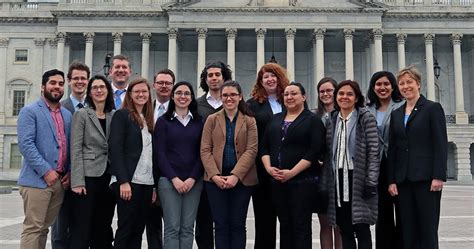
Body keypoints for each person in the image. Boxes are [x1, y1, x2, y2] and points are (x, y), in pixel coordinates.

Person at [387, 66, 447, 249]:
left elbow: (440, 144)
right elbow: (393, 149)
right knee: (407, 229)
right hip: (403, 180)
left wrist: (438, 175)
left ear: (418, 84)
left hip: (426, 179)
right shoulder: (396, 113)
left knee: (427, 229)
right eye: (402, 83)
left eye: (409, 82)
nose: (405, 86)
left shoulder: (432, 108)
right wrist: (392, 180)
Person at [261, 82, 325, 249]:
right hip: (278, 182)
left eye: (294, 94)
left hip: (302, 182)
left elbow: (314, 151)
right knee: (285, 225)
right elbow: (265, 146)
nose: (289, 97)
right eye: (287, 94)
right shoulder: (275, 119)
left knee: (301, 225)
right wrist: (268, 168)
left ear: (303, 97)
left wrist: (292, 172)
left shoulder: (312, 120)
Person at [17, 69, 72, 249]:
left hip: (58, 181)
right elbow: (26, 145)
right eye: (53, 83)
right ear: (43, 87)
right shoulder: (30, 111)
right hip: (37, 180)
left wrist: (69, 172)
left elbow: (69, 147)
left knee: (43, 230)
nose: (57, 87)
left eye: (61, 84)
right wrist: (46, 171)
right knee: (33, 229)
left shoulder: (67, 115)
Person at [200, 81, 257, 249]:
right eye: (225, 95)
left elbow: (251, 150)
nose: (229, 98)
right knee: (221, 225)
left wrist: (235, 176)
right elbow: (205, 149)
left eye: (233, 95)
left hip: (242, 180)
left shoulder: (249, 120)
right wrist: (214, 175)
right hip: (215, 180)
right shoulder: (212, 119)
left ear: (240, 97)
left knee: (238, 224)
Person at [324, 80, 379, 249]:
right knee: (345, 229)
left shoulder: (365, 117)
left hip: (358, 178)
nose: (344, 97)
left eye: (349, 94)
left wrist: (371, 181)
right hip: (338, 181)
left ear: (356, 98)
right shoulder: (332, 119)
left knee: (362, 228)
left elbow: (373, 151)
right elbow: (328, 153)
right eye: (341, 94)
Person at [108, 77, 157, 249]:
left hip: (146, 182)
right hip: (129, 181)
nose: (141, 94)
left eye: (144, 91)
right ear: (130, 94)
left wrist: (153, 186)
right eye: (137, 91)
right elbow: (115, 148)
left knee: (138, 229)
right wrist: (123, 181)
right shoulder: (122, 116)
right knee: (126, 229)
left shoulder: (148, 119)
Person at [68, 75, 116, 249]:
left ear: (108, 91)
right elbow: (75, 148)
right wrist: (77, 181)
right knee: (82, 225)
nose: (99, 90)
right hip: (88, 177)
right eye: (94, 87)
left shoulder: (113, 115)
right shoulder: (82, 114)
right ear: (90, 92)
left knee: (103, 225)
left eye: (102, 87)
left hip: (108, 177)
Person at [155, 81, 204, 249]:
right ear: (172, 96)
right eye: (179, 93)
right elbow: (160, 154)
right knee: (171, 228)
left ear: (191, 98)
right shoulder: (163, 121)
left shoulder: (199, 121)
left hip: (194, 182)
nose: (182, 96)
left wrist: (192, 178)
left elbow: (202, 153)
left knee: (187, 228)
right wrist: (174, 178)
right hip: (169, 181)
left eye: (186, 93)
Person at [247, 62, 289, 249]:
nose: (270, 79)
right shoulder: (252, 105)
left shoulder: (290, 100)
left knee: (290, 220)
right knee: (264, 221)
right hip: (263, 170)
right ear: (260, 82)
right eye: (266, 77)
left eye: (273, 75)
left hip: (290, 168)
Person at [52, 61, 90, 249]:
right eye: (76, 78)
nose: (80, 82)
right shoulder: (59, 107)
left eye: (83, 78)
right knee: (59, 230)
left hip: (85, 178)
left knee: (80, 229)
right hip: (64, 178)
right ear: (69, 81)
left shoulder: (93, 109)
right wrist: (65, 172)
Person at [195, 61, 232, 249]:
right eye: (210, 75)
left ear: (225, 77)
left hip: (229, 170)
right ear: (205, 79)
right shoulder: (197, 105)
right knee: (203, 221)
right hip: (204, 171)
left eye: (218, 74)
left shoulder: (233, 104)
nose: (214, 78)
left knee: (227, 221)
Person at [366, 71, 404, 249]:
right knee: (383, 214)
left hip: (398, 163)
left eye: (386, 84)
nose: (382, 88)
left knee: (403, 212)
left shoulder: (403, 106)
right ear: (373, 88)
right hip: (377, 165)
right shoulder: (368, 109)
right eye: (378, 84)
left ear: (393, 86)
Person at [147, 68, 176, 249]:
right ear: (154, 85)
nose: (164, 86)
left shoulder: (181, 110)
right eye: (161, 83)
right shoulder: (145, 109)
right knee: (152, 225)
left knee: (173, 225)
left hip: (172, 175)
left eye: (168, 83)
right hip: (148, 175)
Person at [315, 76, 343, 249]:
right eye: (322, 91)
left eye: (329, 90)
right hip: (320, 175)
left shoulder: (344, 115)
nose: (325, 94)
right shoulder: (315, 116)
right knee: (324, 223)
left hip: (340, 173)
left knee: (340, 224)